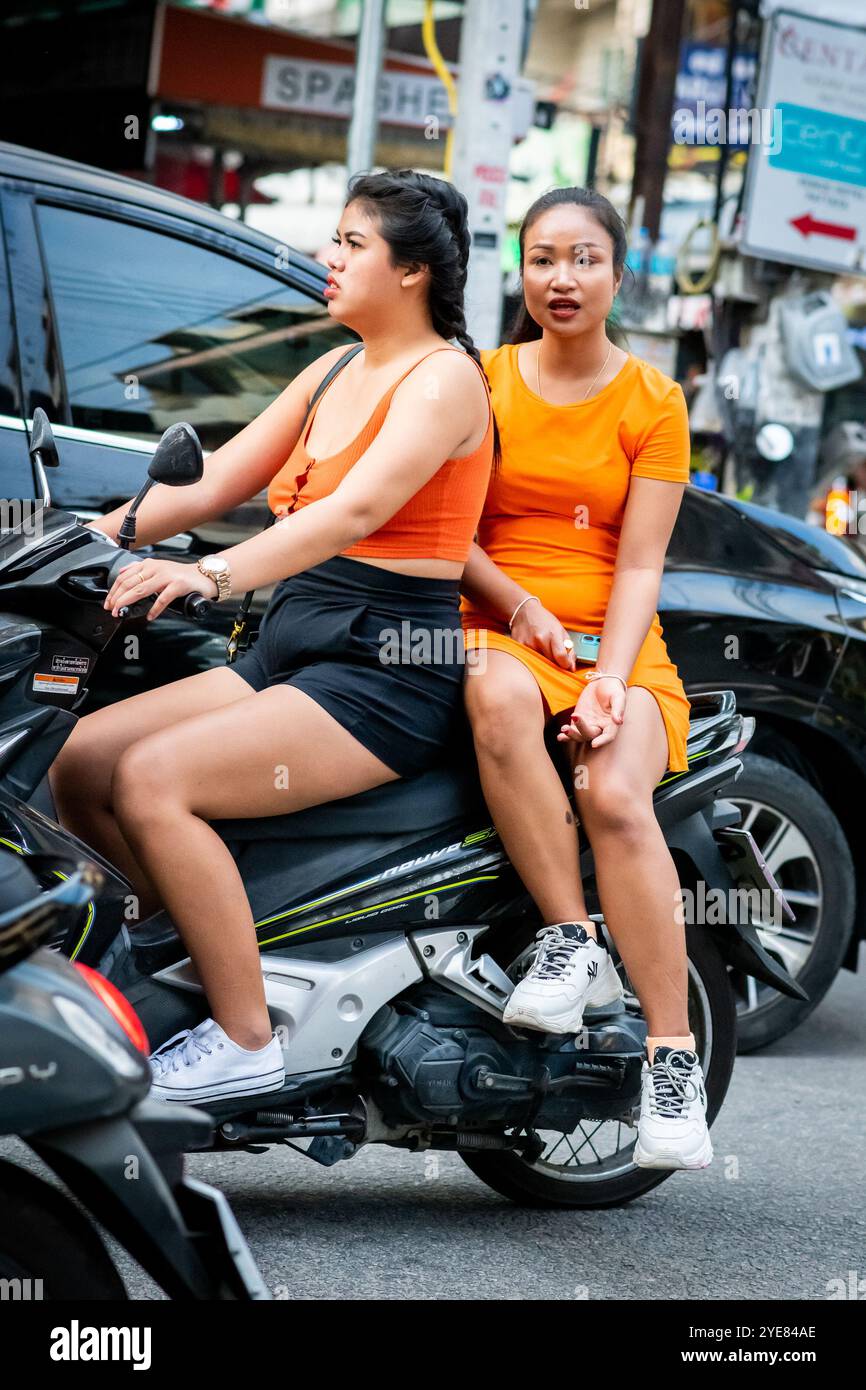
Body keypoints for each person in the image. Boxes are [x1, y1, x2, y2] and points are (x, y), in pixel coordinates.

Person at [48, 170, 496, 1104]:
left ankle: (247, 1037)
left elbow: (356, 509)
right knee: (79, 761)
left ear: (412, 271)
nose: (326, 260)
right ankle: (187, 959)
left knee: (153, 779)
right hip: (293, 644)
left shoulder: (445, 379)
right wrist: (76, 538)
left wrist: (206, 573)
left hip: (385, 670)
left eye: (351, 244)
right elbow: (208, 483)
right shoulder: (331, 368)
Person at [459, 186, 712, 1171]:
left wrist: (608, 679)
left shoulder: (653, 400)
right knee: (487, 687)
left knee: (612, 790)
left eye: (583, 259)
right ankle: (570, 938)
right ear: (518, 272)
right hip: (500, 630)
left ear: (615, 273)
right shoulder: (481, 382)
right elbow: (456, 538)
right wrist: (519, 608)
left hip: (618, 643)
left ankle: (670, 1057)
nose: (560, 279)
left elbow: (640, 564)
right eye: (541, 259)